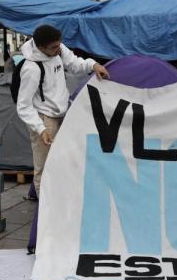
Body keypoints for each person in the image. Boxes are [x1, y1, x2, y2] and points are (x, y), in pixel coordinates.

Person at [15, 24, 109, 197]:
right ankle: (43, 214)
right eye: (53, 47)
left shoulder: (57, 49)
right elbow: (23, 105)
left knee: (64, 161)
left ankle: (60, 203)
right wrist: (40, 128)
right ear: (41, 48)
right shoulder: (31, 69)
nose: (59, 49)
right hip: (44, 119)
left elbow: (74, 63)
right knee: (43, 167)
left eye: (59, 44)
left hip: (62, 113)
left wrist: (93, 65)